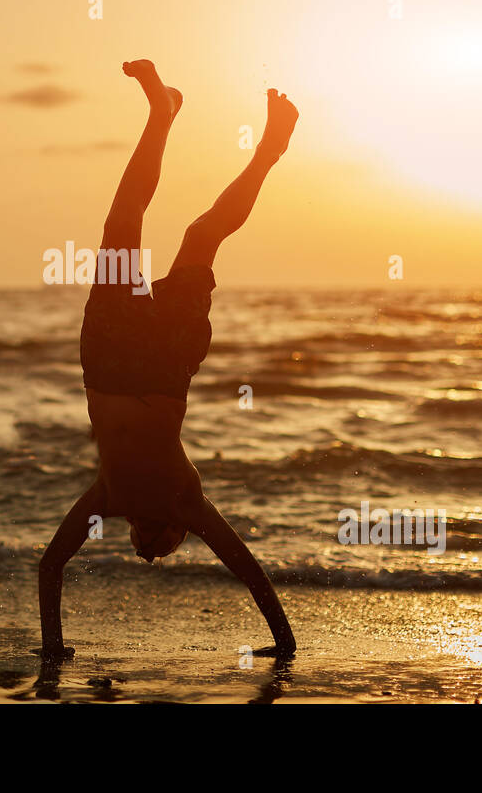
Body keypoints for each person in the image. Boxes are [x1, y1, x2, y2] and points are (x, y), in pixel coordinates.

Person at [38, 59, 299, 660]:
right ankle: (267, 153)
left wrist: (55, 647)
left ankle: (161, 114)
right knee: (200, 237)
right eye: (168, 549)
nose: (152, 551)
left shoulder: (108, 497)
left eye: (145, 550)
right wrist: (282, 645)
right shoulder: (185, 503)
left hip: (106, 356)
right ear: (181, 534)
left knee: (123, 223)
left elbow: (51, 566)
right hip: (159, 369)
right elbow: (251, 575)